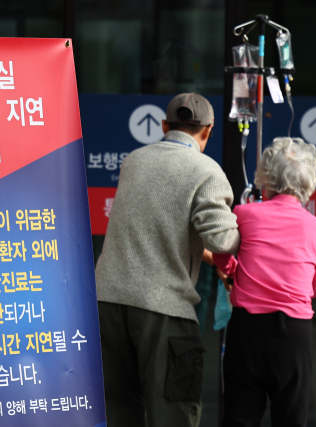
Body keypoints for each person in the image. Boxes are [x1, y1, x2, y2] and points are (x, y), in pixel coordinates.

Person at [95, 93, 240, 427]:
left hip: (108, 301)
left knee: (117, 412)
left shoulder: (135, 159)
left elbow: (158, 232)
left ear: (164, 126)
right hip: (164, 308)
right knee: (174, 413)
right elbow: (222, 240)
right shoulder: (206, 170)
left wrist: (206, 259)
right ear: (209, 130)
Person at [213, 137, 316, 427]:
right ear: (308, 182)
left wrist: (232, 272)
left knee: (240, 416)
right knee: (291, 417)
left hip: (248, 329)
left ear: (266, 178)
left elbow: (221, 251)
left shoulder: (245, 214)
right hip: (294, 334)